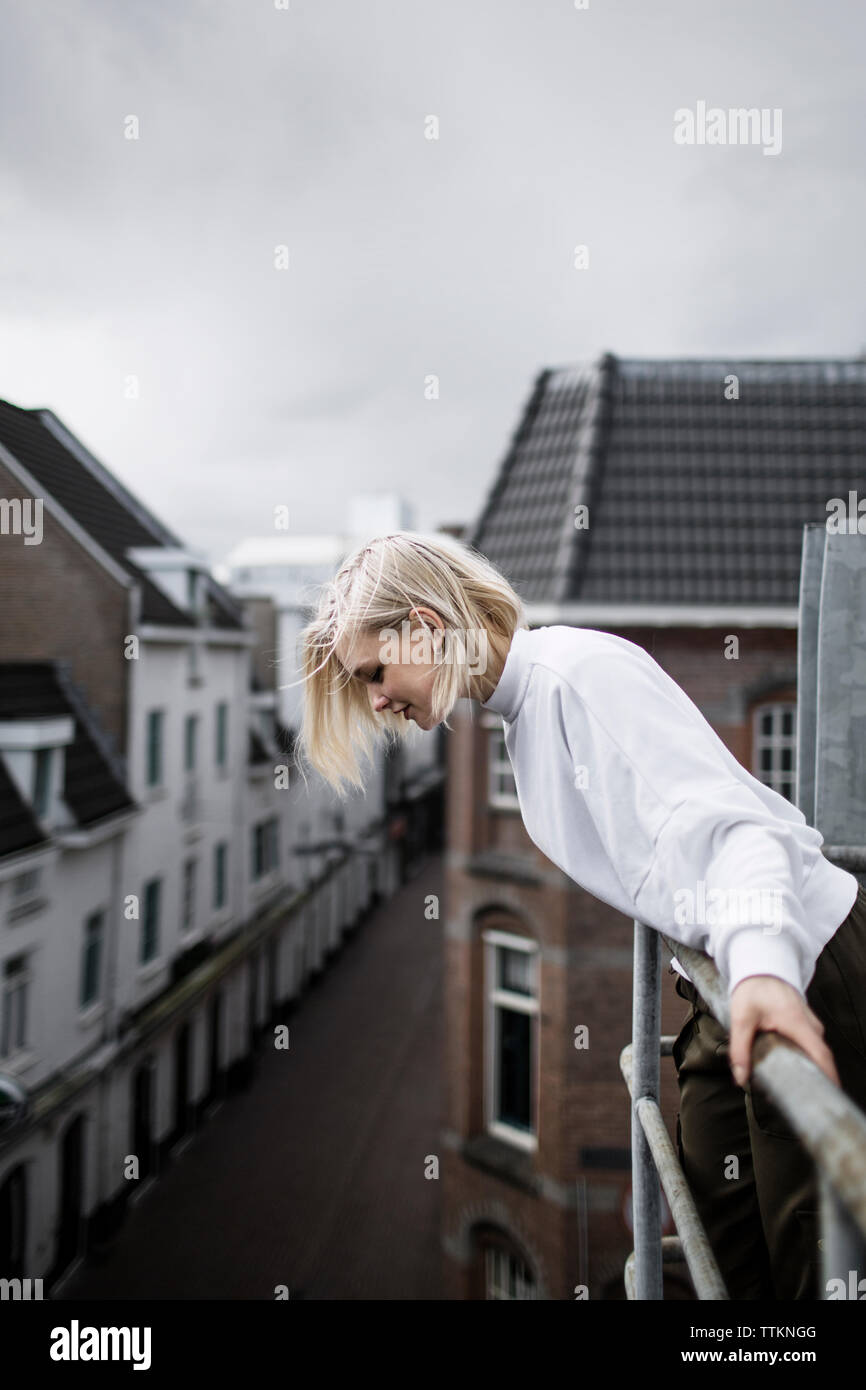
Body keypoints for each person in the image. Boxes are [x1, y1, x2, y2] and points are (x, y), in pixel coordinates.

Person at [291, 529, 866, 1301]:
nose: (377, 700)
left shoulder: (577, 679)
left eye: (374, 672)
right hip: (725, 983)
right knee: (719, 1251)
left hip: (805, 967)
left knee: (813, 1269)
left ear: (426, 627)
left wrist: (764, 969)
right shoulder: (527, 709)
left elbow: (738, 835)